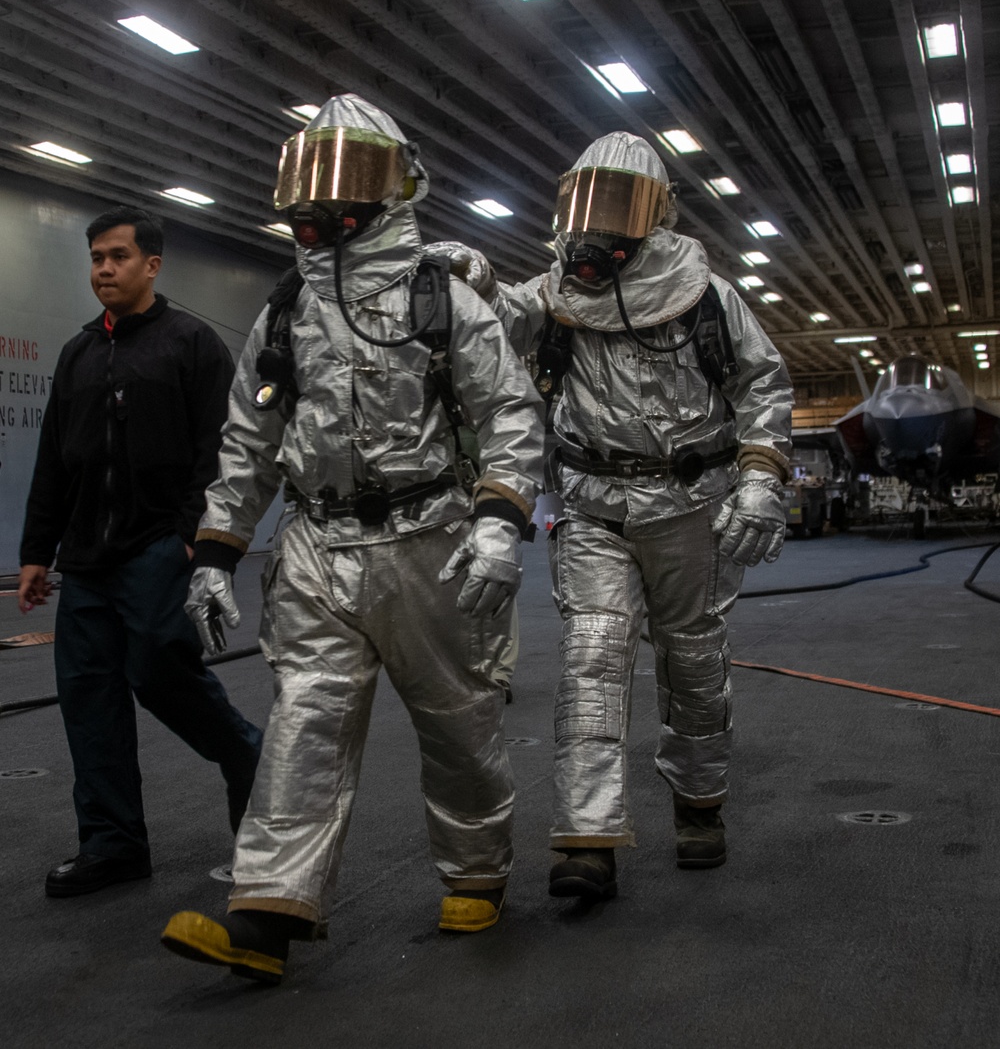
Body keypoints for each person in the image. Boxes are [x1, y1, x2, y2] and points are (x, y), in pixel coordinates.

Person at [159, 94, 543, 986]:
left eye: (347, 178)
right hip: (317, 547)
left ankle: (477, 867)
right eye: (310, 178)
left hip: (431, 542)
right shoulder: (286, 307)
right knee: (305, 722)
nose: (320, 203)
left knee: (457, 719)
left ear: (395, 186)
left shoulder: (441, 297)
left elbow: (509, 413)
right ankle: (265, 911)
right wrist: (217, 551)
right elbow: (250, 439)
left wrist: (497, 521)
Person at [430, 132, 793, 901]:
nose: (595, 222)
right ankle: (588, 836)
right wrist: (473, 278)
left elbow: (763, 387)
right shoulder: (556, 294)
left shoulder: (707, 298)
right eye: (585, 198)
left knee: (693, 660)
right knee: (591, 658)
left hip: (691, 506)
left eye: (618, 201)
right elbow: (494, 325)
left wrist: (760, 477)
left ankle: (699, 806)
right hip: (593, 506)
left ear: (655, 215)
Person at [18, 206, 263, 898]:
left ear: (151, 264)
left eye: (118, 256)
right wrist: (38, 550)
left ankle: (244, 752)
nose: (104, 269)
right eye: (96, 257)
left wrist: (195, 536)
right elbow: (55, 463)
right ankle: (113, 842)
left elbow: (221, 450)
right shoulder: (77, 354)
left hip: (159, 544)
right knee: (87, 695)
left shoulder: (192, 344)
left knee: (158, 665)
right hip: (87, 560)